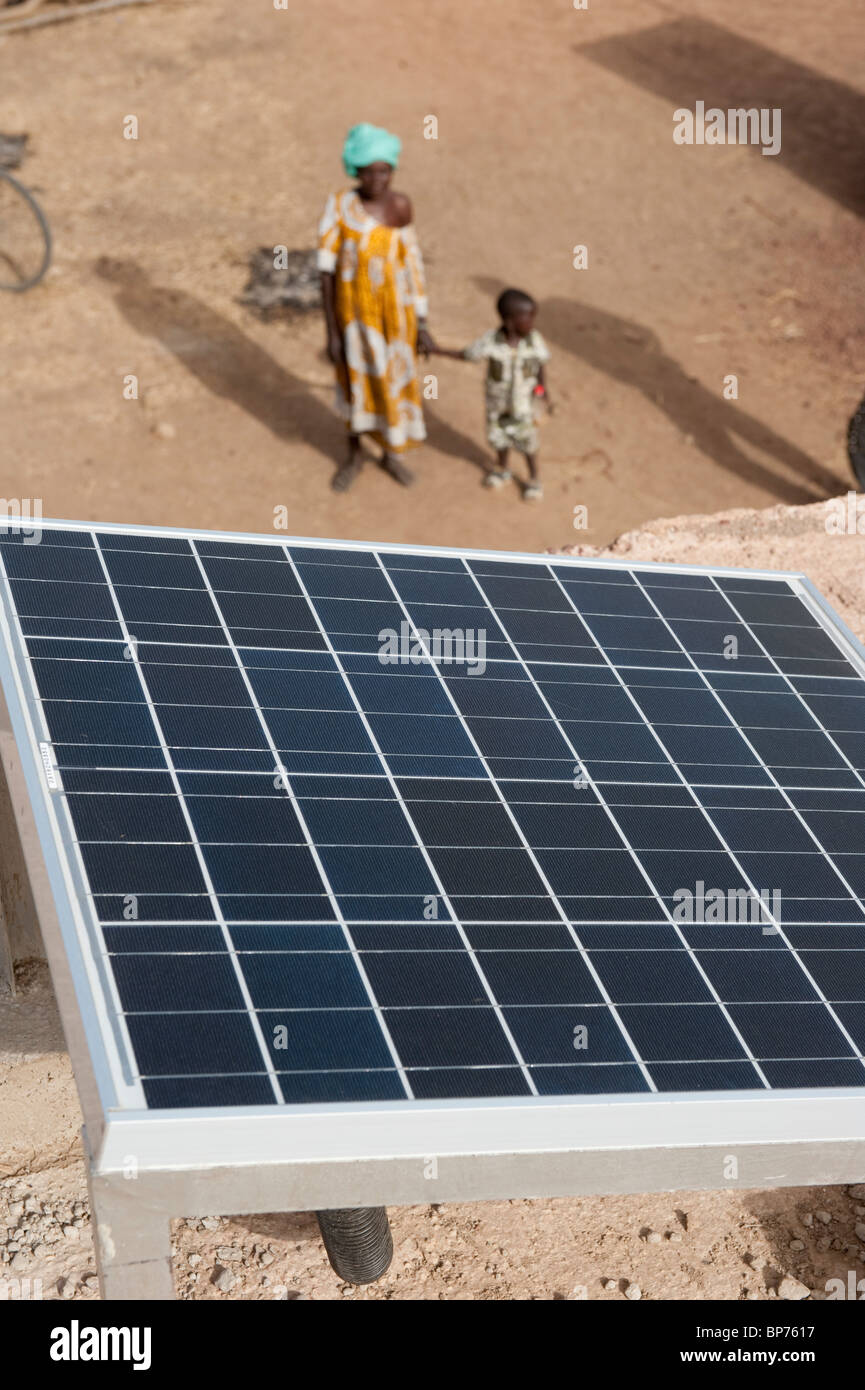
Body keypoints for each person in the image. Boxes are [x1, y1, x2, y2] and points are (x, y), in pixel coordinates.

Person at [317, 123, 434, 492]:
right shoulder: (339, 207)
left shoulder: (400, 206)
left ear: (392, 171)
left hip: (396, 320)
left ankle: (389, 454)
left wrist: (422, 320)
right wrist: (332, 332)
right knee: (356, 386)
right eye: (368, 170)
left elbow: (412, 263)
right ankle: (353, 456)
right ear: (355, 170)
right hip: (354, 320)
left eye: (384, 170)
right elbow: (326, 274)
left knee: (393, 384)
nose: (376, 178)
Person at [430, 289, 553, 501]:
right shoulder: (491, 342)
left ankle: (534, 479)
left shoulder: (534, 341)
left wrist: (542, 391)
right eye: (528, 317)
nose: (532, 322)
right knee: (499, 439)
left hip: (523, 407)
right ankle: (502, 469)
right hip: (497, 406)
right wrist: (436, 350)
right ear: (510, 321)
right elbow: (466, 355)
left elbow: (540, 365)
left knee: (528, 443)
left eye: (533, 316)